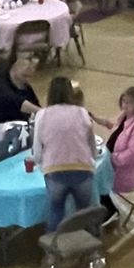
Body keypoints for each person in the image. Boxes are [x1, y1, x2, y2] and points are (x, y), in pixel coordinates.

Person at [31, 75, 101, 231]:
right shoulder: (82, 112)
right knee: (84, 213)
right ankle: (88, 242)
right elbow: (92, 148)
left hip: (55, 172)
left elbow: (37, 154)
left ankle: (53, 244)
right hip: (83, 170)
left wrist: (42, 163)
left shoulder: (42, 115)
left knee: (56, 211)